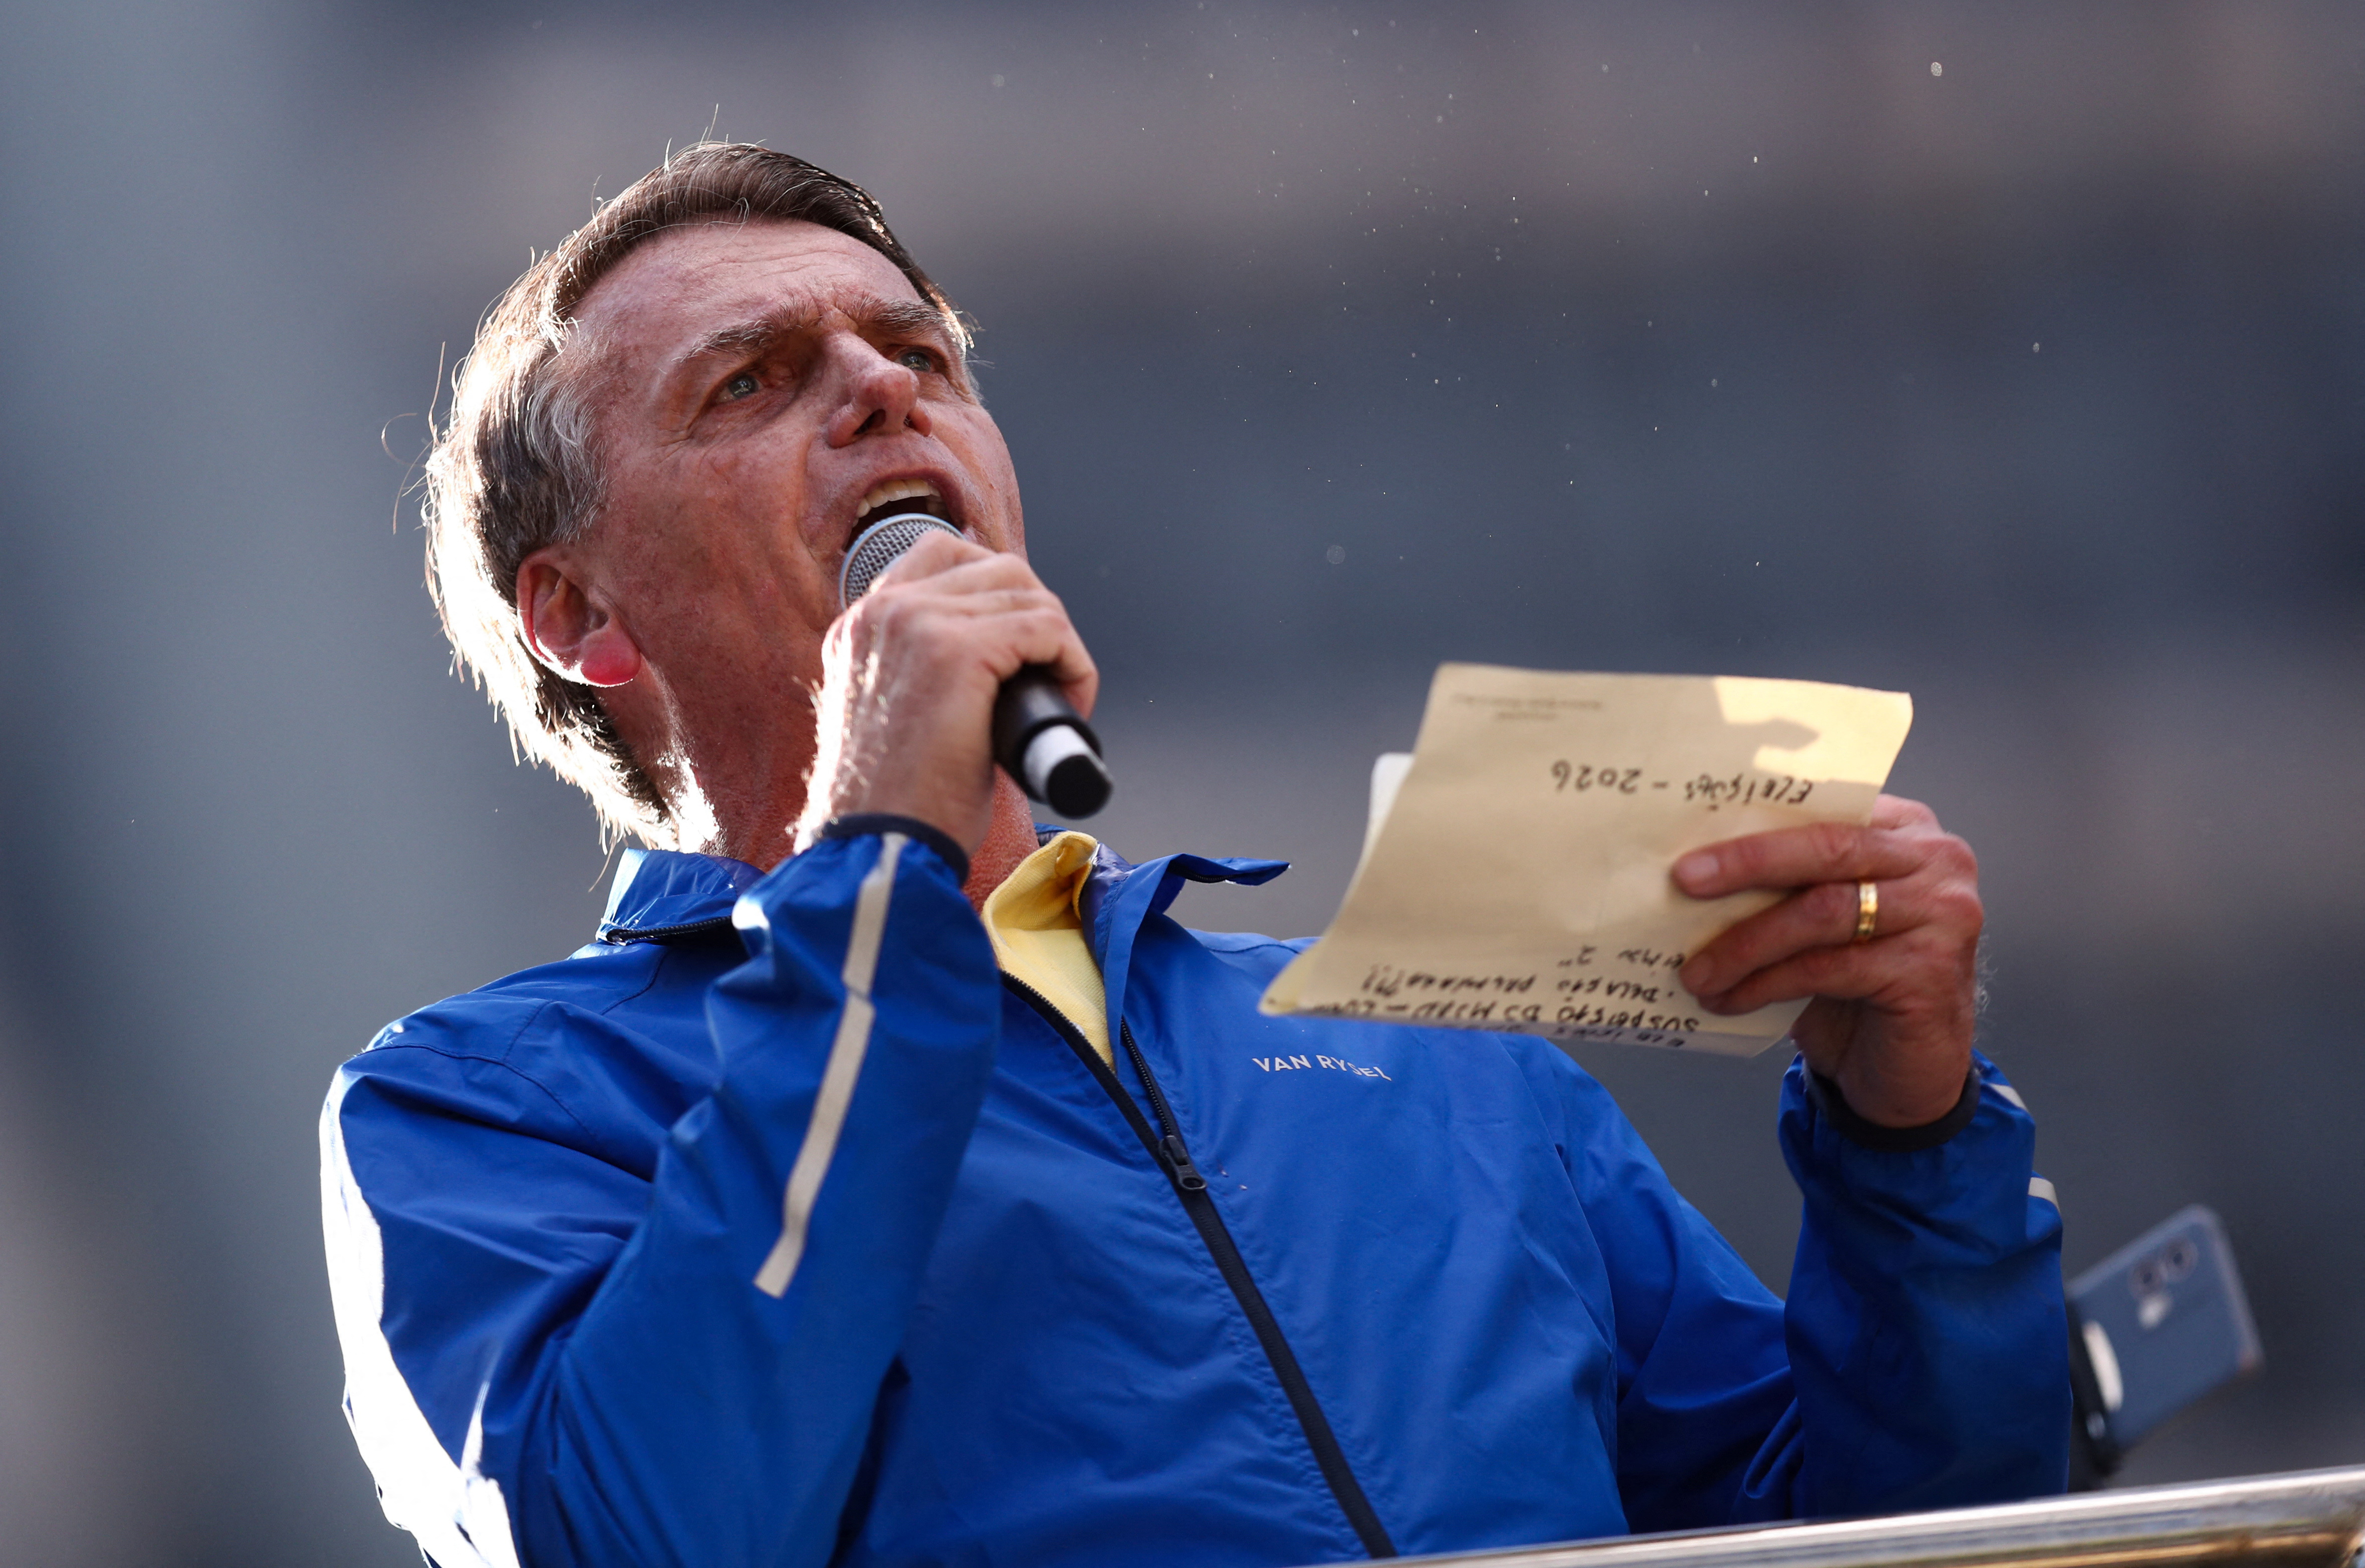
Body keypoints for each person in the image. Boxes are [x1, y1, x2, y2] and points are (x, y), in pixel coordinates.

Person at [320, 143, 2066, 1568]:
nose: (878, 390)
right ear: (579, 616)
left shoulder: (1423, 1043)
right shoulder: (482, 1111)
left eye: (915, 354)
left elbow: (1891, 1542)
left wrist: (1907, 1148)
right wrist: (884, 857)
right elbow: (650, 1537)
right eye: (753, 382)